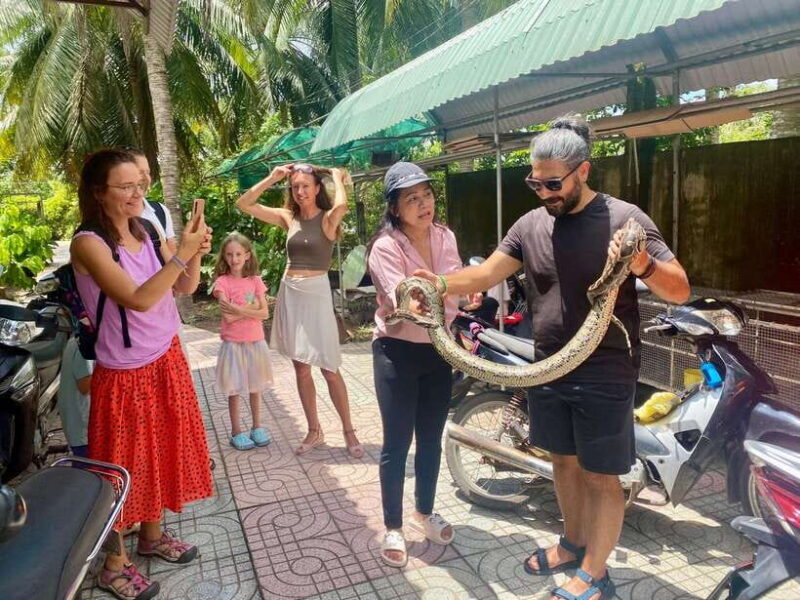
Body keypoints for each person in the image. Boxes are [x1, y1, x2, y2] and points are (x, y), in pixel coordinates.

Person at [414, 116, 690, 600]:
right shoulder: (530, 225)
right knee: (563, 462)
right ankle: (572, 543)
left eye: (553, 182)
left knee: (601, 474)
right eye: (534, 182)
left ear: (583, 171)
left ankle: (595, 571)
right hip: (549, 365)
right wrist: (435, 283)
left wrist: (641, 263)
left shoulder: (626, 219)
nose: (543, 191)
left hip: (605, 369)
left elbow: (680, 290)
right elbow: (483, 277)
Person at [70, 148, 214, 600]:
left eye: (141, 184)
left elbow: (184, 287)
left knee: (165, 448)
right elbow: (136, 297)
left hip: (166, 354)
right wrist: (180, 256)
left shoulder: (150, 229)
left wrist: (192, 253)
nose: (137, 193)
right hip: (125, 370)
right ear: (98, 192)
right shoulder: (89, 244)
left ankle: (152, 536)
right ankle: (113, 565)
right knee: (120, 467)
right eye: (126, 186)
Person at [368, 162, 479, 568]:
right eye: (411, 198)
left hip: (438, 350)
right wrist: (434, 295)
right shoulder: (385, 246)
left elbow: (453, 286)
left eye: (427, 195)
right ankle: (393, 525)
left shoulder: (445, 236)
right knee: (397, 444)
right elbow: (407, 299)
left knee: (431, 437)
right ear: (395, 208)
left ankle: (424, 511)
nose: (423, 203)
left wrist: (461, 293)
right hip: (396, 352)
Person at [236, 163, 363, 458]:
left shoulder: (329, 219)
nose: (301, 191)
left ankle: (349, 430)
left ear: (317, 189)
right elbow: (244, 203)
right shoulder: (287, 217)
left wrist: (334, 176)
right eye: (296, 187)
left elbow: (342, 204)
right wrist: (273, 177)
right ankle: (314, 430)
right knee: (301, 368)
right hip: (290, 291)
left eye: (306, 185)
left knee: (329, 367)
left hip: (316, 294)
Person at [212, 233, 274, 451]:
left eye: (239, 254)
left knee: (256, 387)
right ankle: (236, 431)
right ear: (224, 257)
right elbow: (227, 317)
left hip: (255, 342)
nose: (234, 258)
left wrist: (238, 309)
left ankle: (257, 427)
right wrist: (252, 311)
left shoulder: (255, 281)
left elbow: (265, 313)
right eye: (229, 255)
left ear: (247, 255)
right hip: (233, 344)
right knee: (235, 389)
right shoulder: (222, 283)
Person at [127, 148, 178, 255]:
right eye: (139, 173)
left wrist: (195, 252)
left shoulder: (160, 211)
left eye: (148, 172)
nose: (146, 178)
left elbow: (174, 264)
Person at [57, 335, 93, 457]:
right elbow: (84, 386)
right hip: (82, 426)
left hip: (80, 424)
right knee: (87, 471)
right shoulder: (85, 348)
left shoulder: (79, 340)